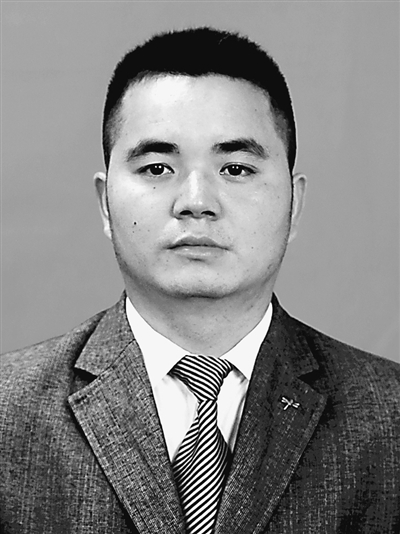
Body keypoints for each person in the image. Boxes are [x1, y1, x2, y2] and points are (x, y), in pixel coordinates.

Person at [1, 27, 399, 534]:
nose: (195, 201)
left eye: (235, 168)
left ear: (294, 203)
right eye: (157, 168)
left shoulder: (389, 415)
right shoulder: (8, 411)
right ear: (105, 204)